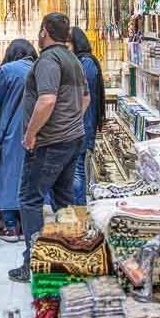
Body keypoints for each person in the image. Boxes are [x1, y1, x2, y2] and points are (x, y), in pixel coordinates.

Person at [9, 13, 90, 283]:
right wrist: (71, 122)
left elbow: (46, 100)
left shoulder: (48, 60)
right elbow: (85, 99)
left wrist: (31, 133)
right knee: (63, 200)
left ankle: (34, 261)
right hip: (71, 139)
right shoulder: (73, 60)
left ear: (44, 31)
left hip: (50, 142)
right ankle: (64, 256)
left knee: (30, 199)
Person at [0, 39, 38, 242]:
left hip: (12, 131)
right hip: (38, 131)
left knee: (9, 177)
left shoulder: (7, 70)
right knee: (30, 179)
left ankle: (11, 226)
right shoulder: (41, 68)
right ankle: (28, 226)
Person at [69, 26, 106, 205]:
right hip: (81, 124)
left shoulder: (86, 64)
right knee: (76, 171)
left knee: (77, 171)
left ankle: (79, 210)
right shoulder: (85, 62)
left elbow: (83, 95)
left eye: (68, 44)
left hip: (82, 125)